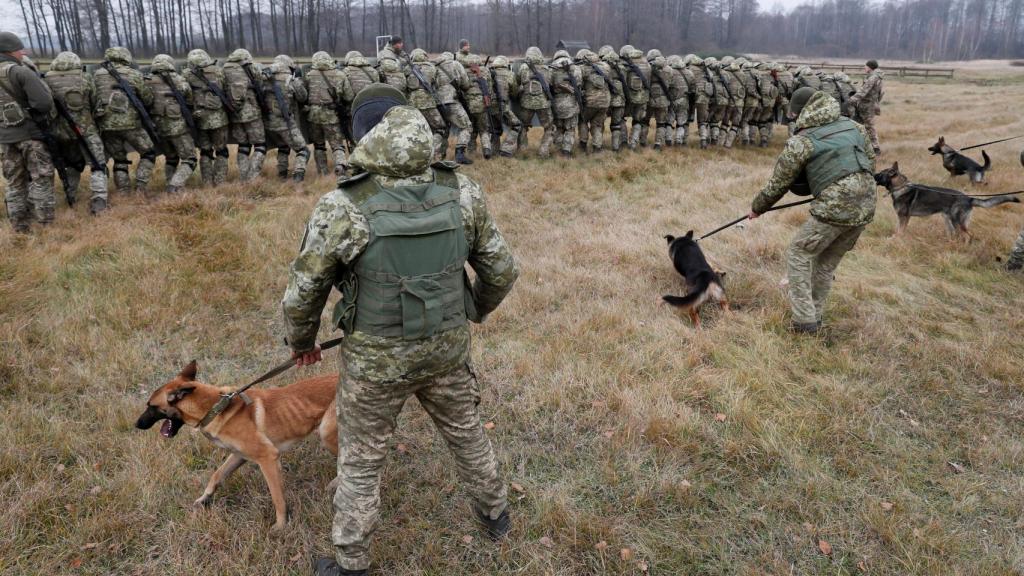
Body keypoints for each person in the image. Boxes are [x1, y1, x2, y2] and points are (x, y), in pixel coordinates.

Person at [280, 84, 520, 576]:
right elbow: (502, 270)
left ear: (362, 137)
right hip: (446, 350)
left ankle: (350, 563)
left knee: (362, 459)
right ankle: (496, 516)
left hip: (375, 361)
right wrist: (472, 309)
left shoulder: (343, 205)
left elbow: (303, 292)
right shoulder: (461, 190)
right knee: (467, 432)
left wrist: (303, 343)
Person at [747, 87, 876, 334]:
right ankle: (815, 317)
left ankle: (804, 321)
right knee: (826, 263)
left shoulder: (802, 141)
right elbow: (869, 162)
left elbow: (779, 183)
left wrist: (757, 208)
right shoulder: (854, 127)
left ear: (801, 112)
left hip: (834, 209)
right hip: (867, 205)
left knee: (799, 254)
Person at [0, 31, 55, 232]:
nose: (22, 53)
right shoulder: (20, 72)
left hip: (4, 138)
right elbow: (43, 103)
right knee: (41, 178)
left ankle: (19, 225)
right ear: (11, 51)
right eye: (19, 49)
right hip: (30, 135)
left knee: (14, 182)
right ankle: (44, 223)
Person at [43, 50, 110, 213]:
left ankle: (70, 196)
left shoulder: (45, 79)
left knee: (73, 165)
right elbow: (95, 103)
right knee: (97, 163)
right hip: (85, 130)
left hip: (59, 132)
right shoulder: (85, 77)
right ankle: (99, 199)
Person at [93, 46, 157, 194]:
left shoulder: (97, 75)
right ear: (125, 57)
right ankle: (140, 187)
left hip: (106, 124)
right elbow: (147, 99)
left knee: (119, 159)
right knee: (148, 153)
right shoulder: (134, 74)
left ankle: (123, 191)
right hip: (131, 124)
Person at [147, 54, 197, 194]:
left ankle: (170, 183)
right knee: (190, 159)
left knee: (171, 158)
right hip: (178, 128)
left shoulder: (147, 81)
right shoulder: (180, 80)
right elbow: (189, 99)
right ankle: (175, 185)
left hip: (158, 128)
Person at [184, 48, 231, 187]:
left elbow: (185, 94)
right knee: (222, 150)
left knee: (205, 152)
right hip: (219, 119)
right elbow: (225, 89)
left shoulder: (186, 74)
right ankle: (220, 182)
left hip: (199, 119)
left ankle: (207, 183)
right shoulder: (217, 71)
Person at [305, 51, 353, 178]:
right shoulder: (340, 75)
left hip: (313, 116)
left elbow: (304, 95)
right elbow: (349, 96)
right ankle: (340, 166)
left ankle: (323, 172)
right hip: (332, 115)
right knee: (337, 144)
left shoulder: (309, 75)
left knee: (319, 145)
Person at [222, 48, 267, 181]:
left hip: (234, 113)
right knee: (260, 145)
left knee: (243, 146)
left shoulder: (224, 68)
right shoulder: (250, 67)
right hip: (251, 112)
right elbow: (260, 83)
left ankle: (243, 176)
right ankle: (252, 177)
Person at [263, 54, 309, 182]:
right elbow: (302, 97)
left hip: (268, 124)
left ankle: (281, 174)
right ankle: (298, 176)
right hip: (286, 123)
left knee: (283, 147)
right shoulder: (290, 80)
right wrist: (298, 79)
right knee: (303, 151)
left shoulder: (264, 79)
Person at [515, 46, 555, 158]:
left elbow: (517, 82)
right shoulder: (546, 68)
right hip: (543, 103)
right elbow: (551, 83)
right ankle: (543, 151)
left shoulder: (523, 67)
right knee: (549, 128)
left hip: (526, 103)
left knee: (522, 126)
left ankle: (522, 150)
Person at [849, 59, 884, 154]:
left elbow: (864, 91)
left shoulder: (873, 78)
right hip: (866, 105)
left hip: (867, 106)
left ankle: (875, 148)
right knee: (856, 125)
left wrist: (852, 100)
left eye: (866, 66)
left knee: (869, 127)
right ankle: (858, 144)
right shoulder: (877, 77)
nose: (864, 67)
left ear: (870, 67)